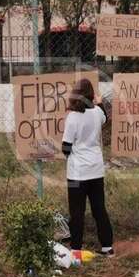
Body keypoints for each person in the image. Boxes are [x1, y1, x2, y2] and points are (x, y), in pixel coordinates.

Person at [61, 78, 114, 258]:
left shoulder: (73, 117)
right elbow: (105, 117)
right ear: (91, 95)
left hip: (77, 174)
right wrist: (99, 102)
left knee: (77, 212)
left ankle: (76, 250)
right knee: (99, 209)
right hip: (96, 170)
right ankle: (107, 247)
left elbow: (66, 147)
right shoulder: (97, 113)